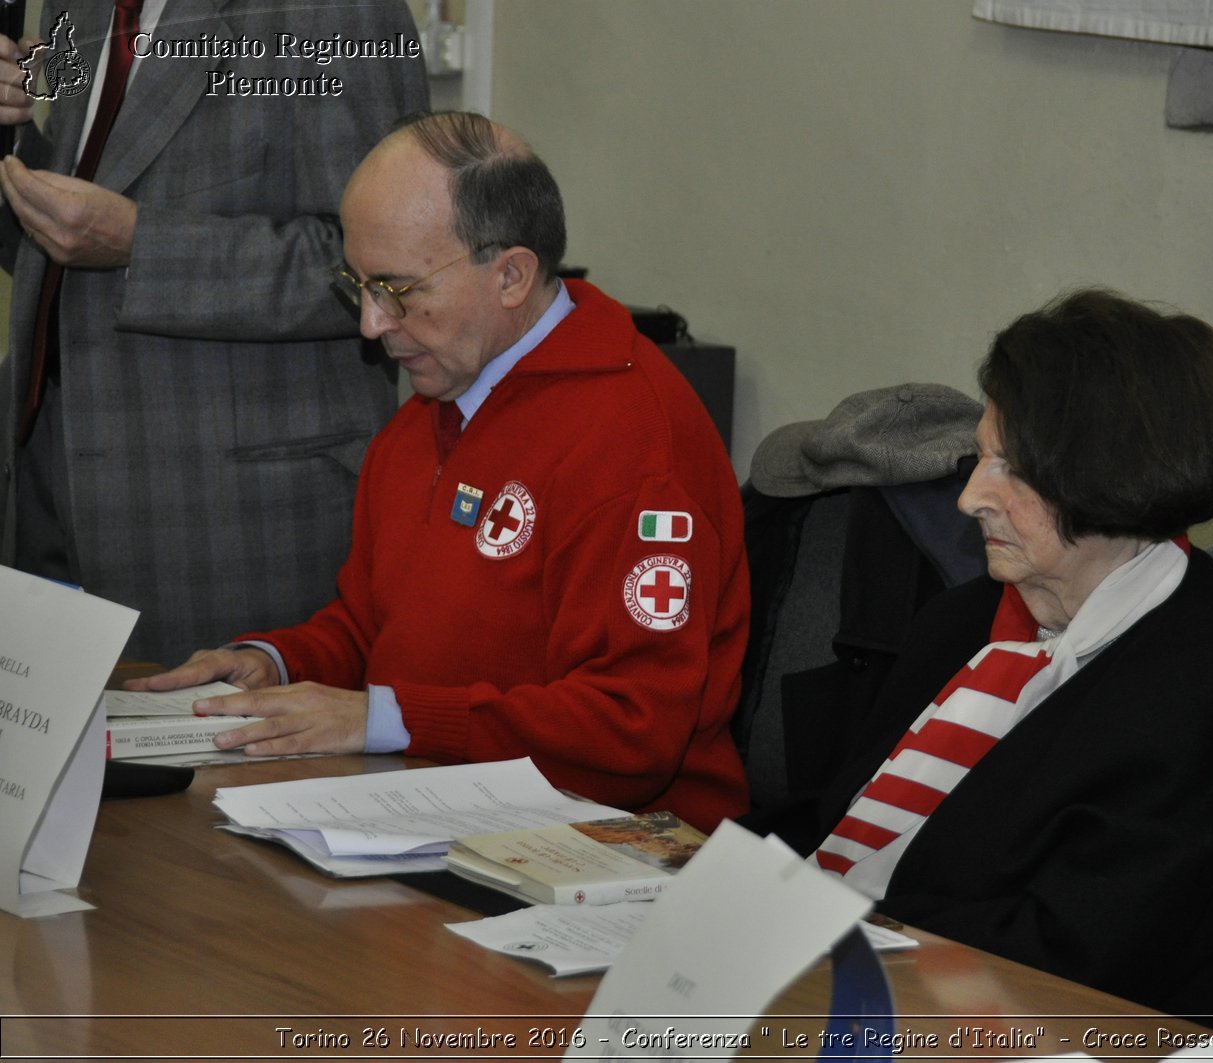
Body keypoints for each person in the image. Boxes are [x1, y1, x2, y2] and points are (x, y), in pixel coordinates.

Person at [129, 111, 751, 831]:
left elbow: (633, 727)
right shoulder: (434, 405)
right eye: (356, 284)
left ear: (511, 274)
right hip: (432, 806)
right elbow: (375, 630)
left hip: (613, 843)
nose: (371, 324)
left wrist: (387, 718)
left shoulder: (632, 437)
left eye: (397, 289)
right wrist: (278, 662)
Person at [757, 289, 1213, 1018]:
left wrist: (823, 945)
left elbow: (1062, 967)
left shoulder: (1207, 691)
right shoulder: (965, 618)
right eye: (983, 456)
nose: (970, 497)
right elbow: (839, 823)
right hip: (855, 984)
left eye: (1011, 468)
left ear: (1110, 479)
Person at [0, 1, 429, 665]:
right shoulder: (80, 9)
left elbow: (388, 271)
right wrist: (15, 152)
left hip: (233, 515)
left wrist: (142, 242)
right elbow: (61, 245)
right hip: (47, 491)